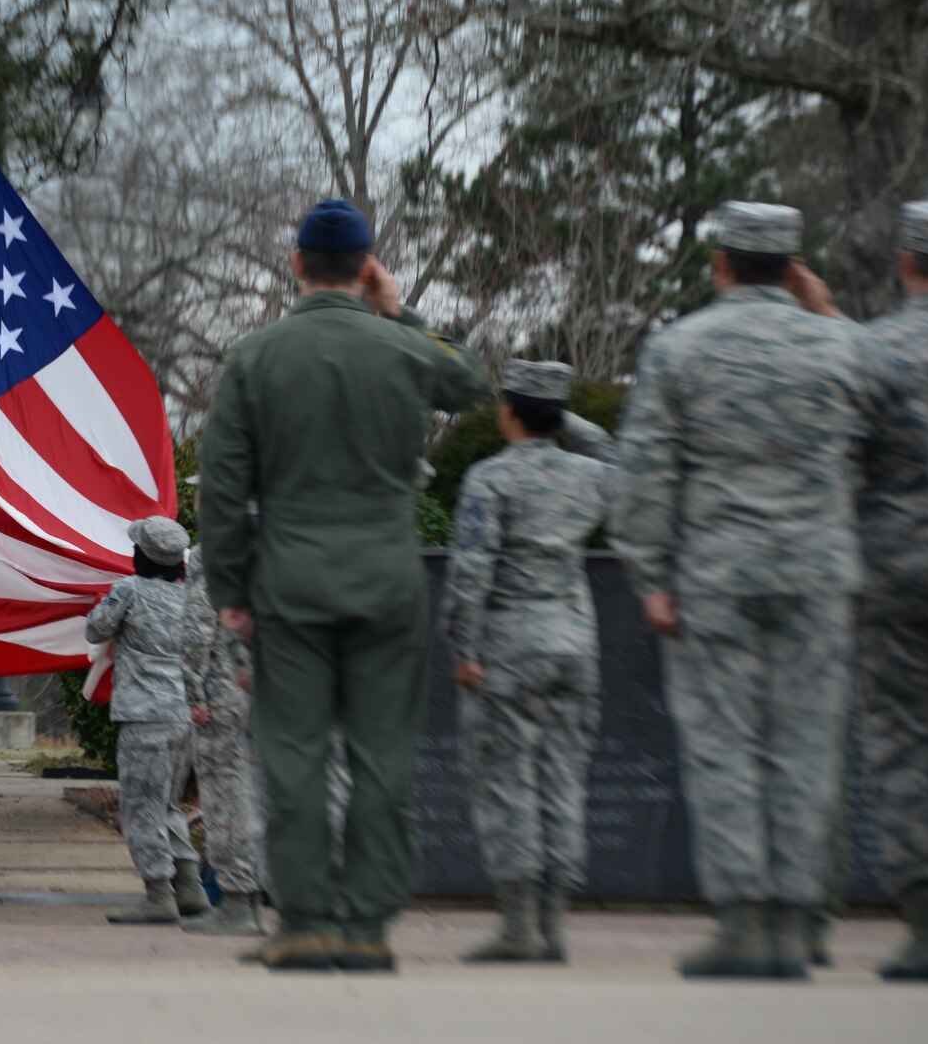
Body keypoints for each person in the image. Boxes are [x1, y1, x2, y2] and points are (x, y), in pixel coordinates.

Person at [613, 200, 927, 980]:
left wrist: (650, 574)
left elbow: (645, 472)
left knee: (725, 746)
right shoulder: (848, 347)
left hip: (714, 573)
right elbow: (905, 455)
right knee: (808, 747)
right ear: (794, 268)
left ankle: (744, 921)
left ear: (720, 264)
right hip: (818, 571)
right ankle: (796, 921)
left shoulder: (679, 346)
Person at [200, 198, 488, 971]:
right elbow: (470, 382)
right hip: (388, 577)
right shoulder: (400, 346)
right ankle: (366, 925)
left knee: (291, 754)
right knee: (383, 755)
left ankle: (305, 921)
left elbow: (223, 489)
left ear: (296, 266)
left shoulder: (257, 358)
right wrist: (401, 312)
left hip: (290, 582)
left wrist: (230, 587)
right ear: (368, 269)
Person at [440, 361, 616, 964]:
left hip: (509, 649)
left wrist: (463, 649)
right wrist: (564, 416)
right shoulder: (591, 476)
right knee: (564, 780)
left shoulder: (491, 479)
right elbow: (618, 456)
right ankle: (555, 925)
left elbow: (470, 572)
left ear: (507, 411)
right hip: (575, 644)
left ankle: (520, 927)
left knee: (507, 785)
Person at [855, 199, 928, 980]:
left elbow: (838, 468)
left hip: (892, 573)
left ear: (905, 262)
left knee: (903, 745)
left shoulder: (869, 351)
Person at [87, 515, 208, 925]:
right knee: (169, 804)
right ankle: (190, 888)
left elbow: (95, 630)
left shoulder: (130, 591)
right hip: (185, 716)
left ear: (142, 555)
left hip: (145, 717)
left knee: (141, 808)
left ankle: (159, 894)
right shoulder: (192, 597)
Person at [181, 475, 267, 937]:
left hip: (223, 689)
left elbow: (197, 631)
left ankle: (238, 899)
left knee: (225, 795)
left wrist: (192, 691)